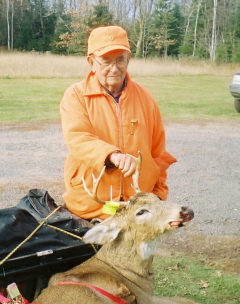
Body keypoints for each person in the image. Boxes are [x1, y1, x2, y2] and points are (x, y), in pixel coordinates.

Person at [60, 25, 177, 220]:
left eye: (120, 60)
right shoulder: (76, 95)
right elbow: (78, 138)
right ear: (91, 62)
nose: (114, 68)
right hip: (91, 204)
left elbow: (159, 156)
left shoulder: (146, 99)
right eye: (105, 61)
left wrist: (158, 195)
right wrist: (113, 155)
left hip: (138, 207)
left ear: (128, 60)